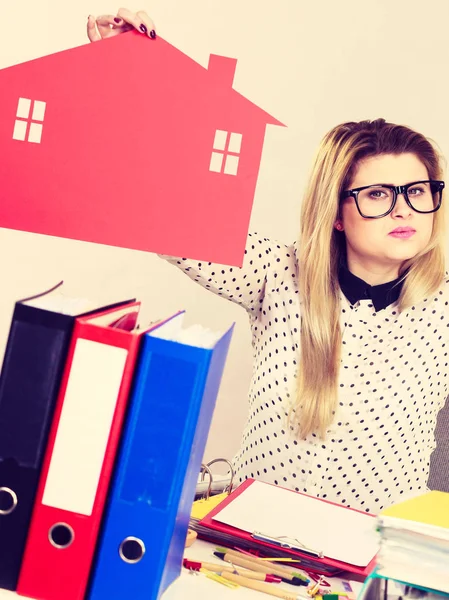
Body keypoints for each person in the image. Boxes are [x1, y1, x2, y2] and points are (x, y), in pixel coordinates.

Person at [87, 10, 449, 514]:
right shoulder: (276, 271)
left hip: (376, 563)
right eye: (379, 194)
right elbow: (157, 211)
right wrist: (125, 78)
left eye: (416, 190)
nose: (404, 208)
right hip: (253, 543)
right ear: (337, 212)